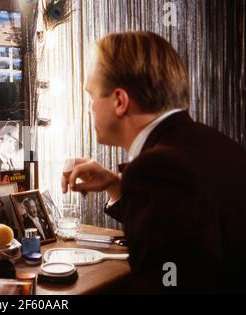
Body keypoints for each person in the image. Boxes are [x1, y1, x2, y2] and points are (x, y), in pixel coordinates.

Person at [62, 31, 246, 293]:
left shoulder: (157, 170)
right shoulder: (216, 144)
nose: (89, 107)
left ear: (119, 101)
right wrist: (117, 185)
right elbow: (185, 230)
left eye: (91, 96)